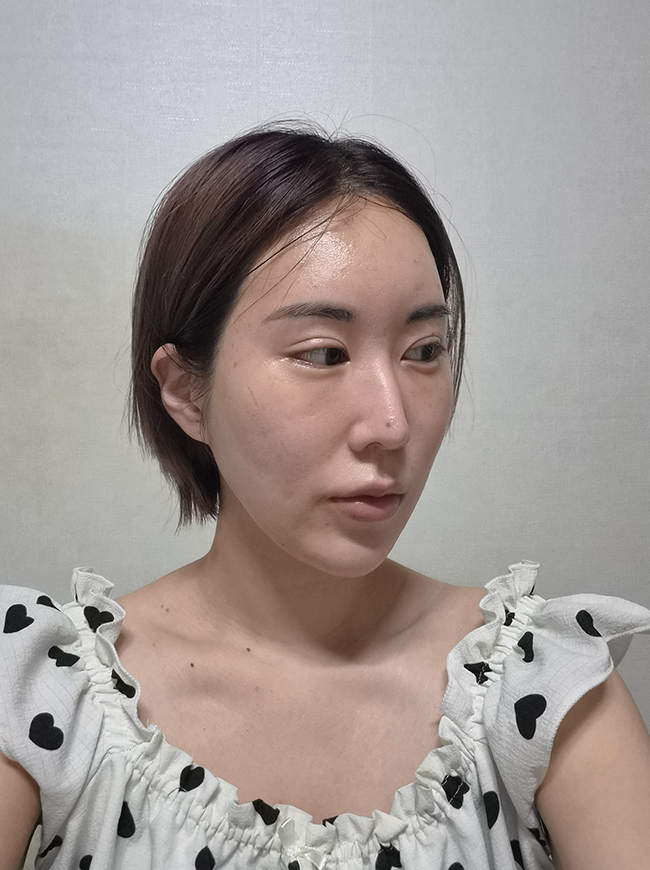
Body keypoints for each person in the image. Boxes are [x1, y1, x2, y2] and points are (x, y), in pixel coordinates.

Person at [1, 122, 649, 870]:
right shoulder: (47, 690)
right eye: (323, 353)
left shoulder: (542, 686)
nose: (392, 422)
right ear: (186, 391)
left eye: (424, 352)